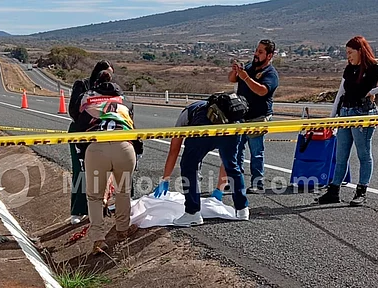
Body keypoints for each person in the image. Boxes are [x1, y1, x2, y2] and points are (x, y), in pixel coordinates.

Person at [315, 35, 378, 206]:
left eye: (351, 52)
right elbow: (340, 94)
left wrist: (373, 90)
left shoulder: (374, 68)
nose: (348, 56)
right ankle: (334, 191)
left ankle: (361, 191)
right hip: (345, 113)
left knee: (363, 153)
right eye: (347, 53)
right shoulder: (349, 69)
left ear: (360, 51)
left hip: (363, 113)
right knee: (341, 154)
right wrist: (332, 119)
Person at [153, 92, 250, 226]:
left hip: (203, 130)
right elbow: (227, 164)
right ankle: (242, 209)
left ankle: (192, 213)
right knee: (232, 166)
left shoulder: (187, 113)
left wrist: (165, 178)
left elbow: (174, 149)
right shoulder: (229, 111)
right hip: (232, 129)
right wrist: (219, 190)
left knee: (189, 167)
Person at [74, 70, 143, 254]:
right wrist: (138, 152)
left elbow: (79, 132)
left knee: (95, 197)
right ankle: (122, 230)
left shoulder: (88, 103)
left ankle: (98, 239)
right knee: (123, 192)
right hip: (124, 146)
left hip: (96, 148)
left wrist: (82, 154)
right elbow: (134, 131)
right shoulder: (126, 104)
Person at [228, 39, 279, 194]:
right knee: (236, 150)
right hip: (241, 116)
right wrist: (236, 71)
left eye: (261, 52)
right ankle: (237, 181)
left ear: (269, 55)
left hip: (258, 117)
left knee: (256, 152)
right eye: (256, 51)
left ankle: (258, 183)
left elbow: (262, 91)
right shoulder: (249, 67)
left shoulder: (271, 74)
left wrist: (245, 78)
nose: (256, 54)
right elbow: (232, 79)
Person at [67, 60, 114, 224]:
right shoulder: (82, 85)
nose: (108, 76)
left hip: (104, 132)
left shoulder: (111, 88)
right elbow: (73, 110)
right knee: (80, 169)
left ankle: (103, 206)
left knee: (106, 171)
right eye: (107, 72)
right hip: (81, 131)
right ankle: (78, 210)